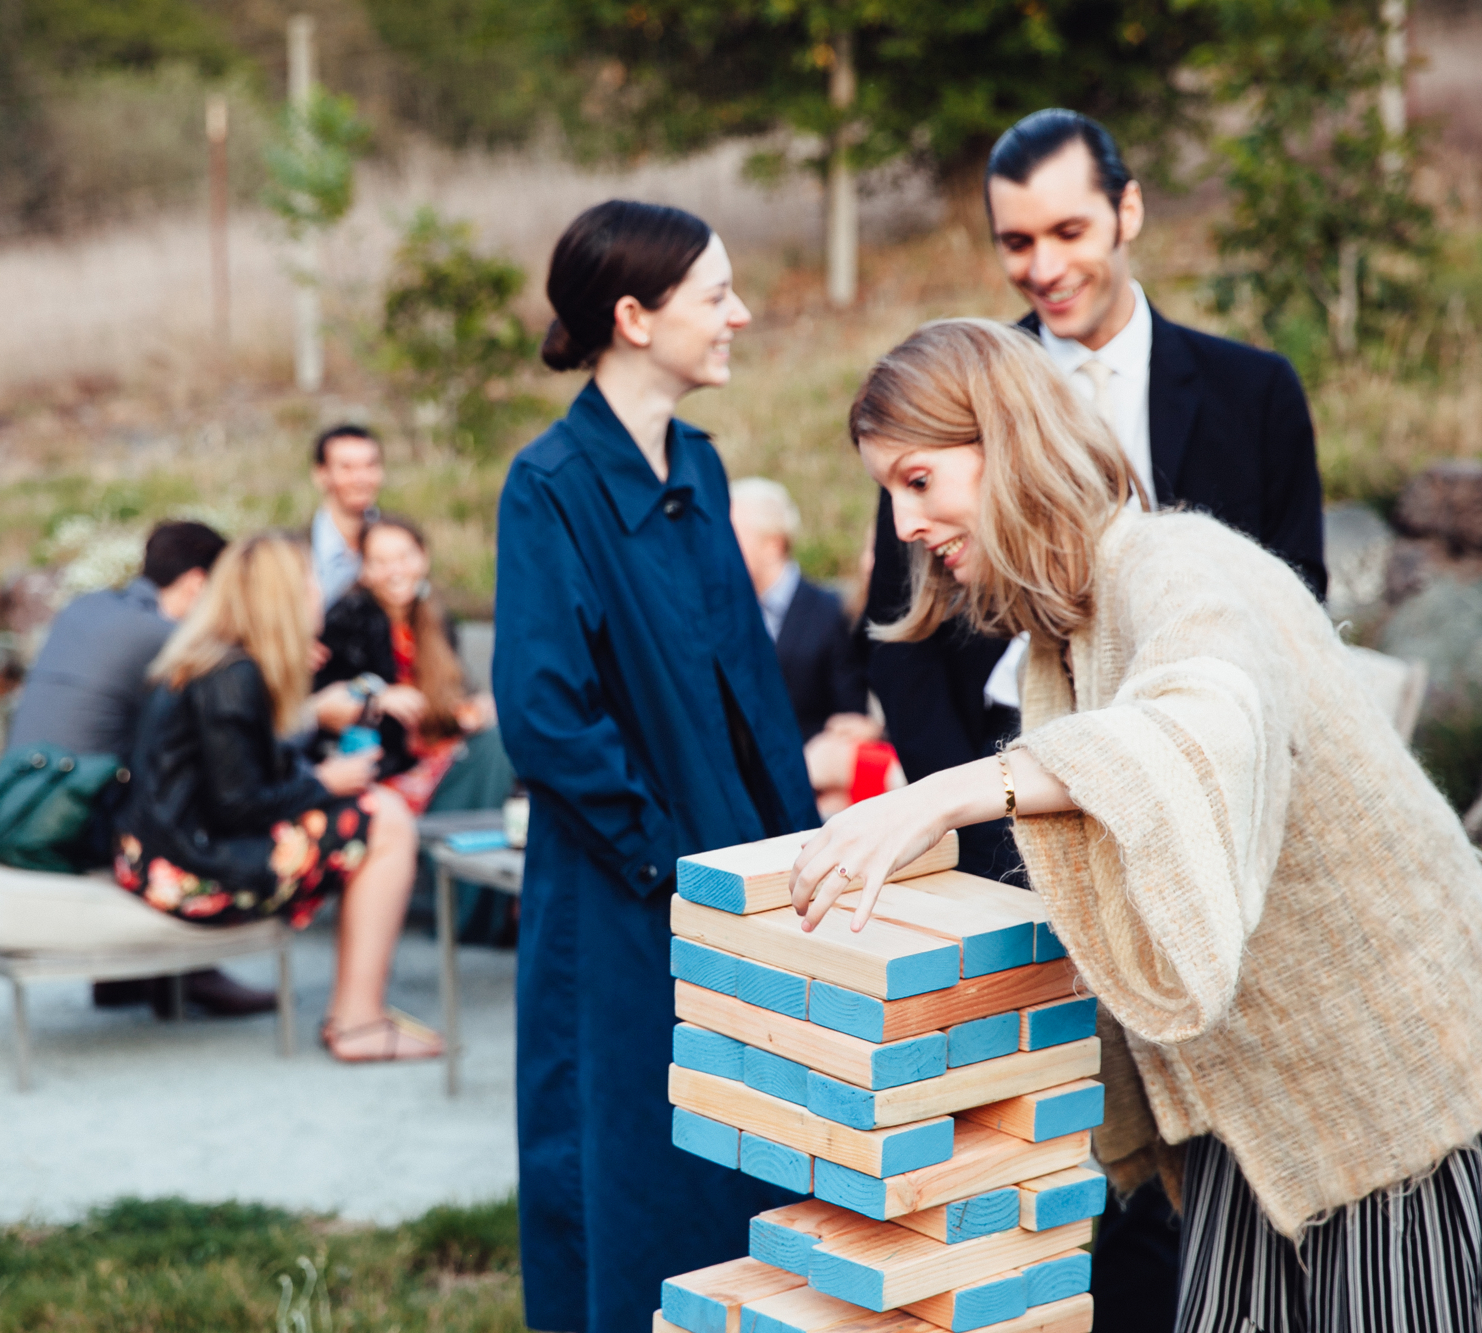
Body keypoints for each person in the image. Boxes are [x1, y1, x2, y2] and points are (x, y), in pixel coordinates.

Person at [794, 318, 1482, 1333]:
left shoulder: (1175, 567)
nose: (899, 523)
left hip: (1405, 1095)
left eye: (916, 480)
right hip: (1257, 1110)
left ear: (1006, 443)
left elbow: (1196, 721)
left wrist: (942, 792)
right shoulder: (1058, 642)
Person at [865, 109, 1330, 1326]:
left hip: (1203, 820)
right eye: (1014, 243)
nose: (1042, 266)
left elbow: (1294, 620)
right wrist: (970, 818)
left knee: (1210, 1112)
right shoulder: (938, 402)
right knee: (1066, 1143)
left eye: (1067, 229)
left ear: (1126, 213)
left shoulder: (1249, 392)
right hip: (1009, 823)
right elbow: (905, 637)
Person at [493, 200, 818, 1333]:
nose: (738, 314)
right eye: (712, 294)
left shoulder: (704, 467)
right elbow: (544, 719)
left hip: (733, 880)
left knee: (749, 1165)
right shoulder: (549, 486)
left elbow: (753, 693)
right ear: (632, 317)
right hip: (621, 901)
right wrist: (666, 863)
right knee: (623, 1172)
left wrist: (798, 855)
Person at [117, 533, 441, 1063]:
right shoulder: (232, 675)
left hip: (158, 852)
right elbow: (238, 805)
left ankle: (358, 1015)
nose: (321, 590)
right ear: (282, 598)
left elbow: (233, 780)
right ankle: (357, 1023)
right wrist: (326, 784)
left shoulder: (213, 660)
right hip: (187, 872)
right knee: (387, 819)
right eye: (310, 581)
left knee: (377, 811)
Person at [4, 520, 276, 1019]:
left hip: (18, 801)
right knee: (201, 776)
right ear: (197, 584)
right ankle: (196, 966)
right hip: (66, 826)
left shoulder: (86, 608)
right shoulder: (165, 638)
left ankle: (123, 976)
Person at [313, 512, 497, 811]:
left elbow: (452, 700)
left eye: (404, 557)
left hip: (432, 756)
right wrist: (379, 696)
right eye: (380, 562)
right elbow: (319, 700)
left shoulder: (435, 619)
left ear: (423, 558)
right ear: (365, 570)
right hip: (371, 769)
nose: (394, 571)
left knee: (497, 740)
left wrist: (472, 709)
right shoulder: (344, 621)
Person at [729, 477, 868, 742]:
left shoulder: (832, 612)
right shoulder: (727, 614)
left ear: (773, 545)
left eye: (732, 535)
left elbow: (851, 717)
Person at [310, 424, 385, 609]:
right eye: (347, 468)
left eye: (370, 465)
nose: (361, 479)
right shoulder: (301, 551)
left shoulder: (400, 541)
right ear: (321, 475)